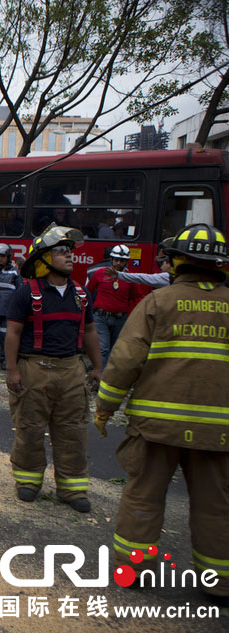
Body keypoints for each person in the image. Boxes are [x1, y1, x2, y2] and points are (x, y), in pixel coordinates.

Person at [94, 223, 229, 603]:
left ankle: (133, 571)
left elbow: (124, 362)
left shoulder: (158, 302)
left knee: (143, 498)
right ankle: (219, 582)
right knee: (216, 508)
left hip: (156, 429)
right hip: (218, 432)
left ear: (178, 261)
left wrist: (104, 409)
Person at [5, 223, 102, 513]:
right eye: (61, 251)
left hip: (72, 371)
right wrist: (12, 371)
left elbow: (90, 332)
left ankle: (72, 488)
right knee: (30, 428)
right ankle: (28, 481)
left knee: (73, 431)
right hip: (34, 369)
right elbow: (12, 333)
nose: (69, 255)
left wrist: (98, 367)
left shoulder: (81, 294)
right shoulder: (26, 294)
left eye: (69, 250)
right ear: (44, 259)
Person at [85, 244, 140, 368]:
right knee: (103, 349)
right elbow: (88, 292)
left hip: (120, 319)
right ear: (111, 259)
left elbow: (137, 297)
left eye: (122, 261)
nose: (118, 263)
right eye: (116, 260)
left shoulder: (130, 278)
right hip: (100, 317)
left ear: (126, 262)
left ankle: (108, 374)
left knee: (115, 350)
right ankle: (101, 376)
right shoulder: (99, 273)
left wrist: (139, 315)